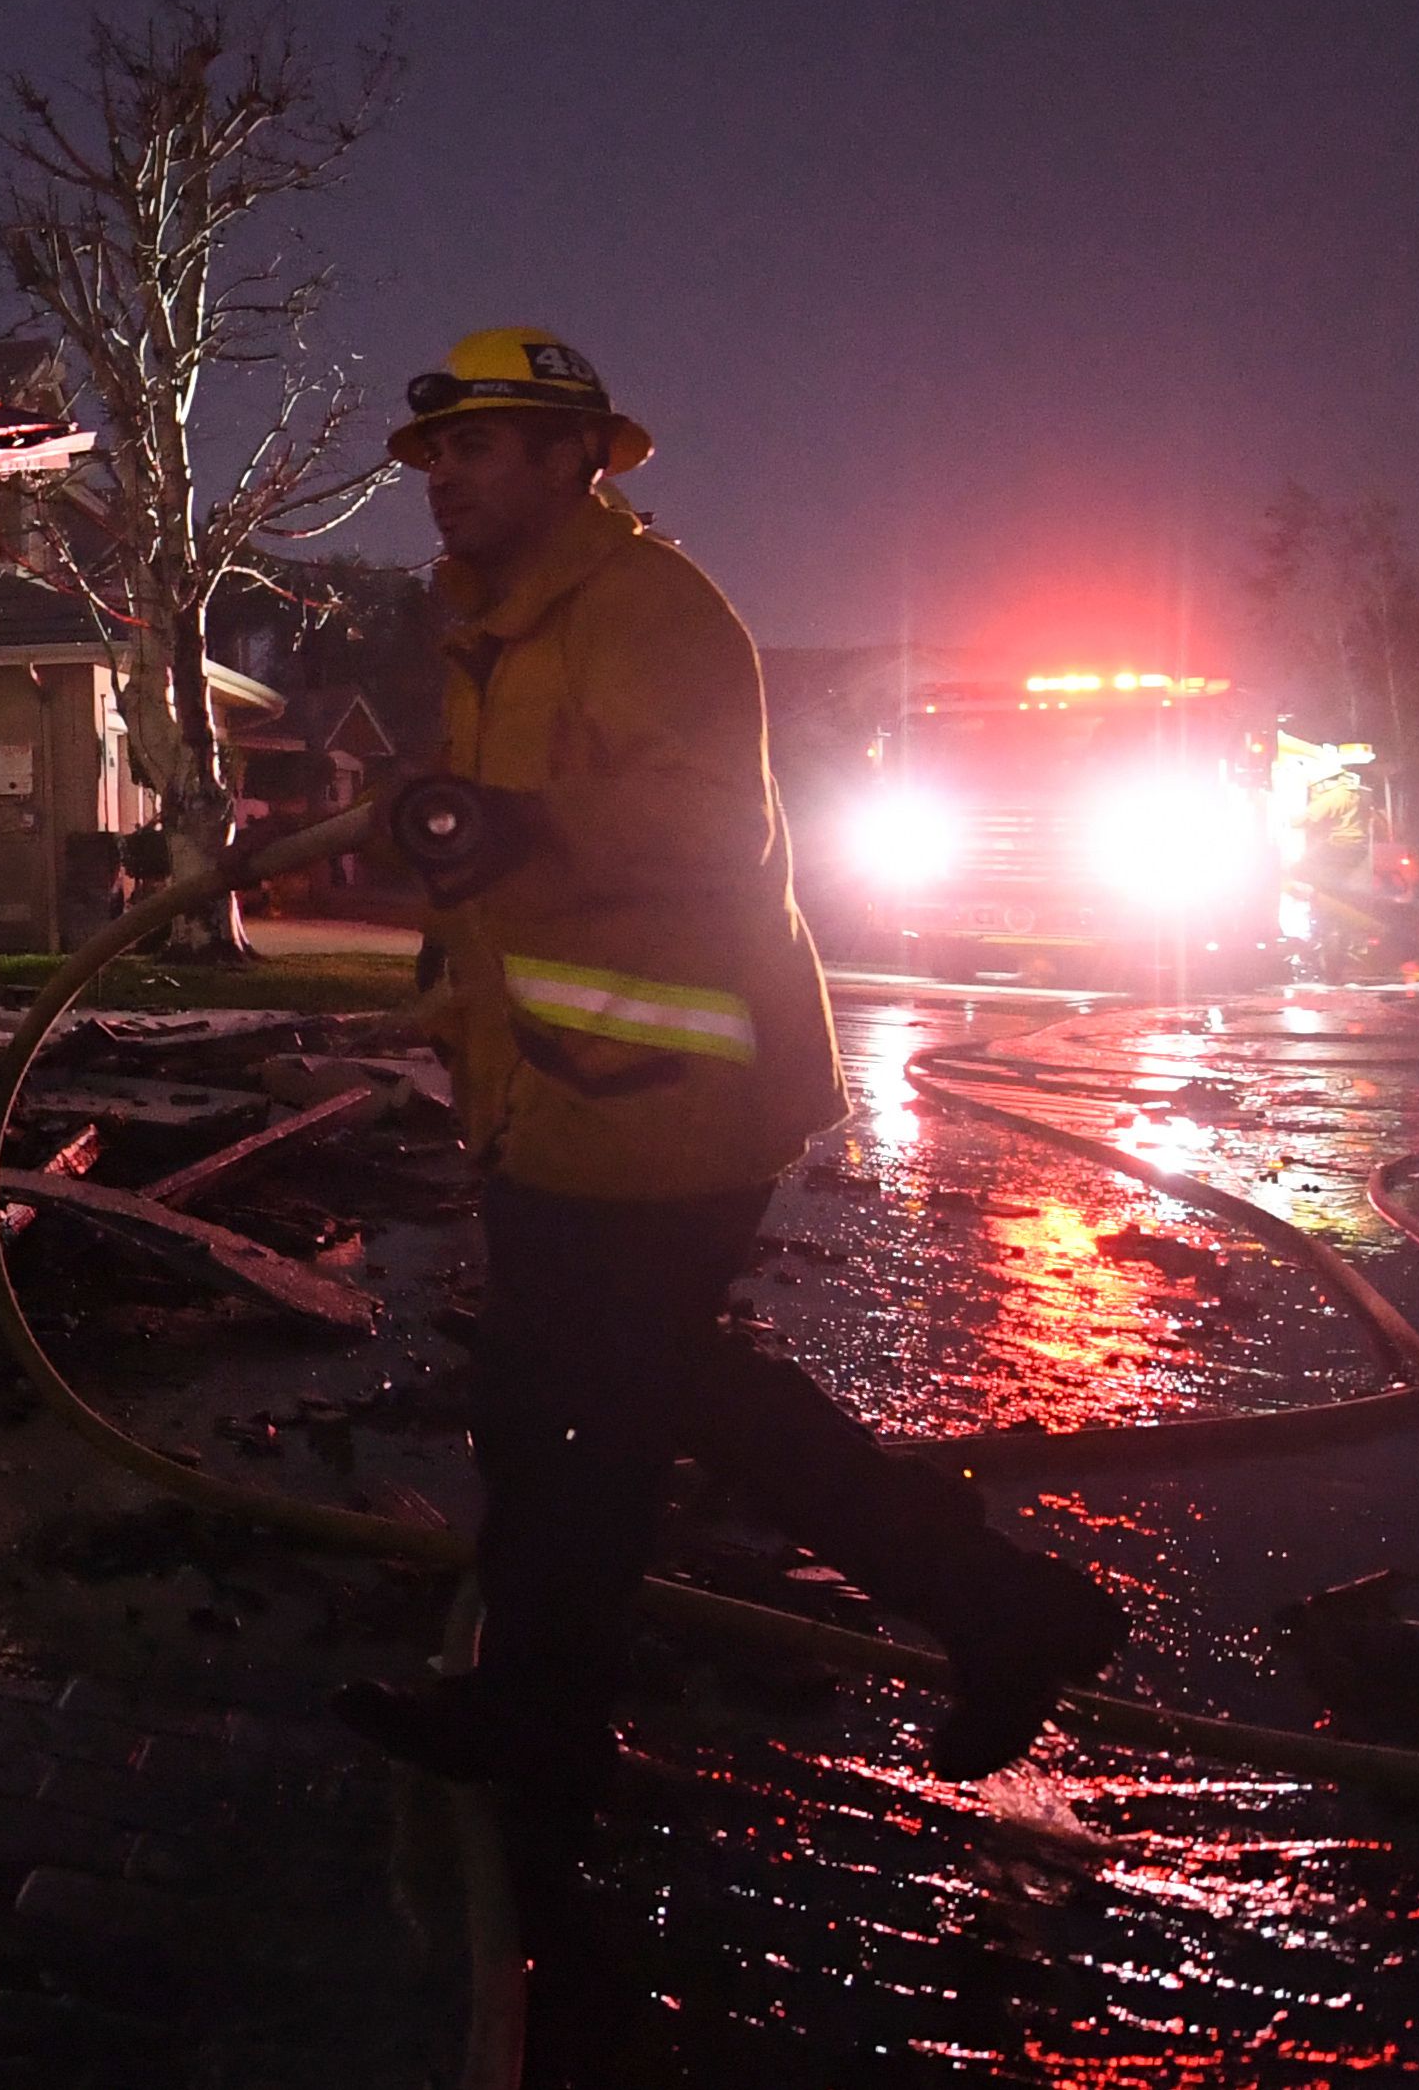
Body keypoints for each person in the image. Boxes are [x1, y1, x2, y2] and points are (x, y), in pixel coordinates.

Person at [338, 327, 1121, 1800]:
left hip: (661, 1097)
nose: (443, 477)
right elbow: (494, 860)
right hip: (560, 1092)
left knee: (618, 1400)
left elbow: (707, 833)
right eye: (435, 453)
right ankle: (547, 1725)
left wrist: (515, 825)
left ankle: (1004, 1612)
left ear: (575, 456)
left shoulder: (641, 610)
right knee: (570, 1418)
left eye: (480, 447)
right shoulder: (505, 625)